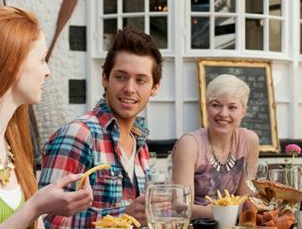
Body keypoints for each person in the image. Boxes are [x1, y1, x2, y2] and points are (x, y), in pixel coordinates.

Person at [0, 6, 93, 229]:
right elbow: (30, 211)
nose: (47, 71)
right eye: (42, 60)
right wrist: (34, 207)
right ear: (11, 65)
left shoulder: (12, 140)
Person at [39, 27, 163, 228]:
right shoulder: (79, 135)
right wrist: (122, 217)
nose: (130, 88)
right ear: (105, 78)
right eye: (121, 77)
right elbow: (46, 220)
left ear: (155, 87)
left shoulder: (140, 143)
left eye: (140, 80)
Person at [172, 74, 260, 218]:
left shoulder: (249, 141)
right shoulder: (189, 144)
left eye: (232, 107)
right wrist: (229, 213)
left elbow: (246, 198)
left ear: (243, 112)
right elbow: (181, 207)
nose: (223, 113)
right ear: (206, 107)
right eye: (215, 105)